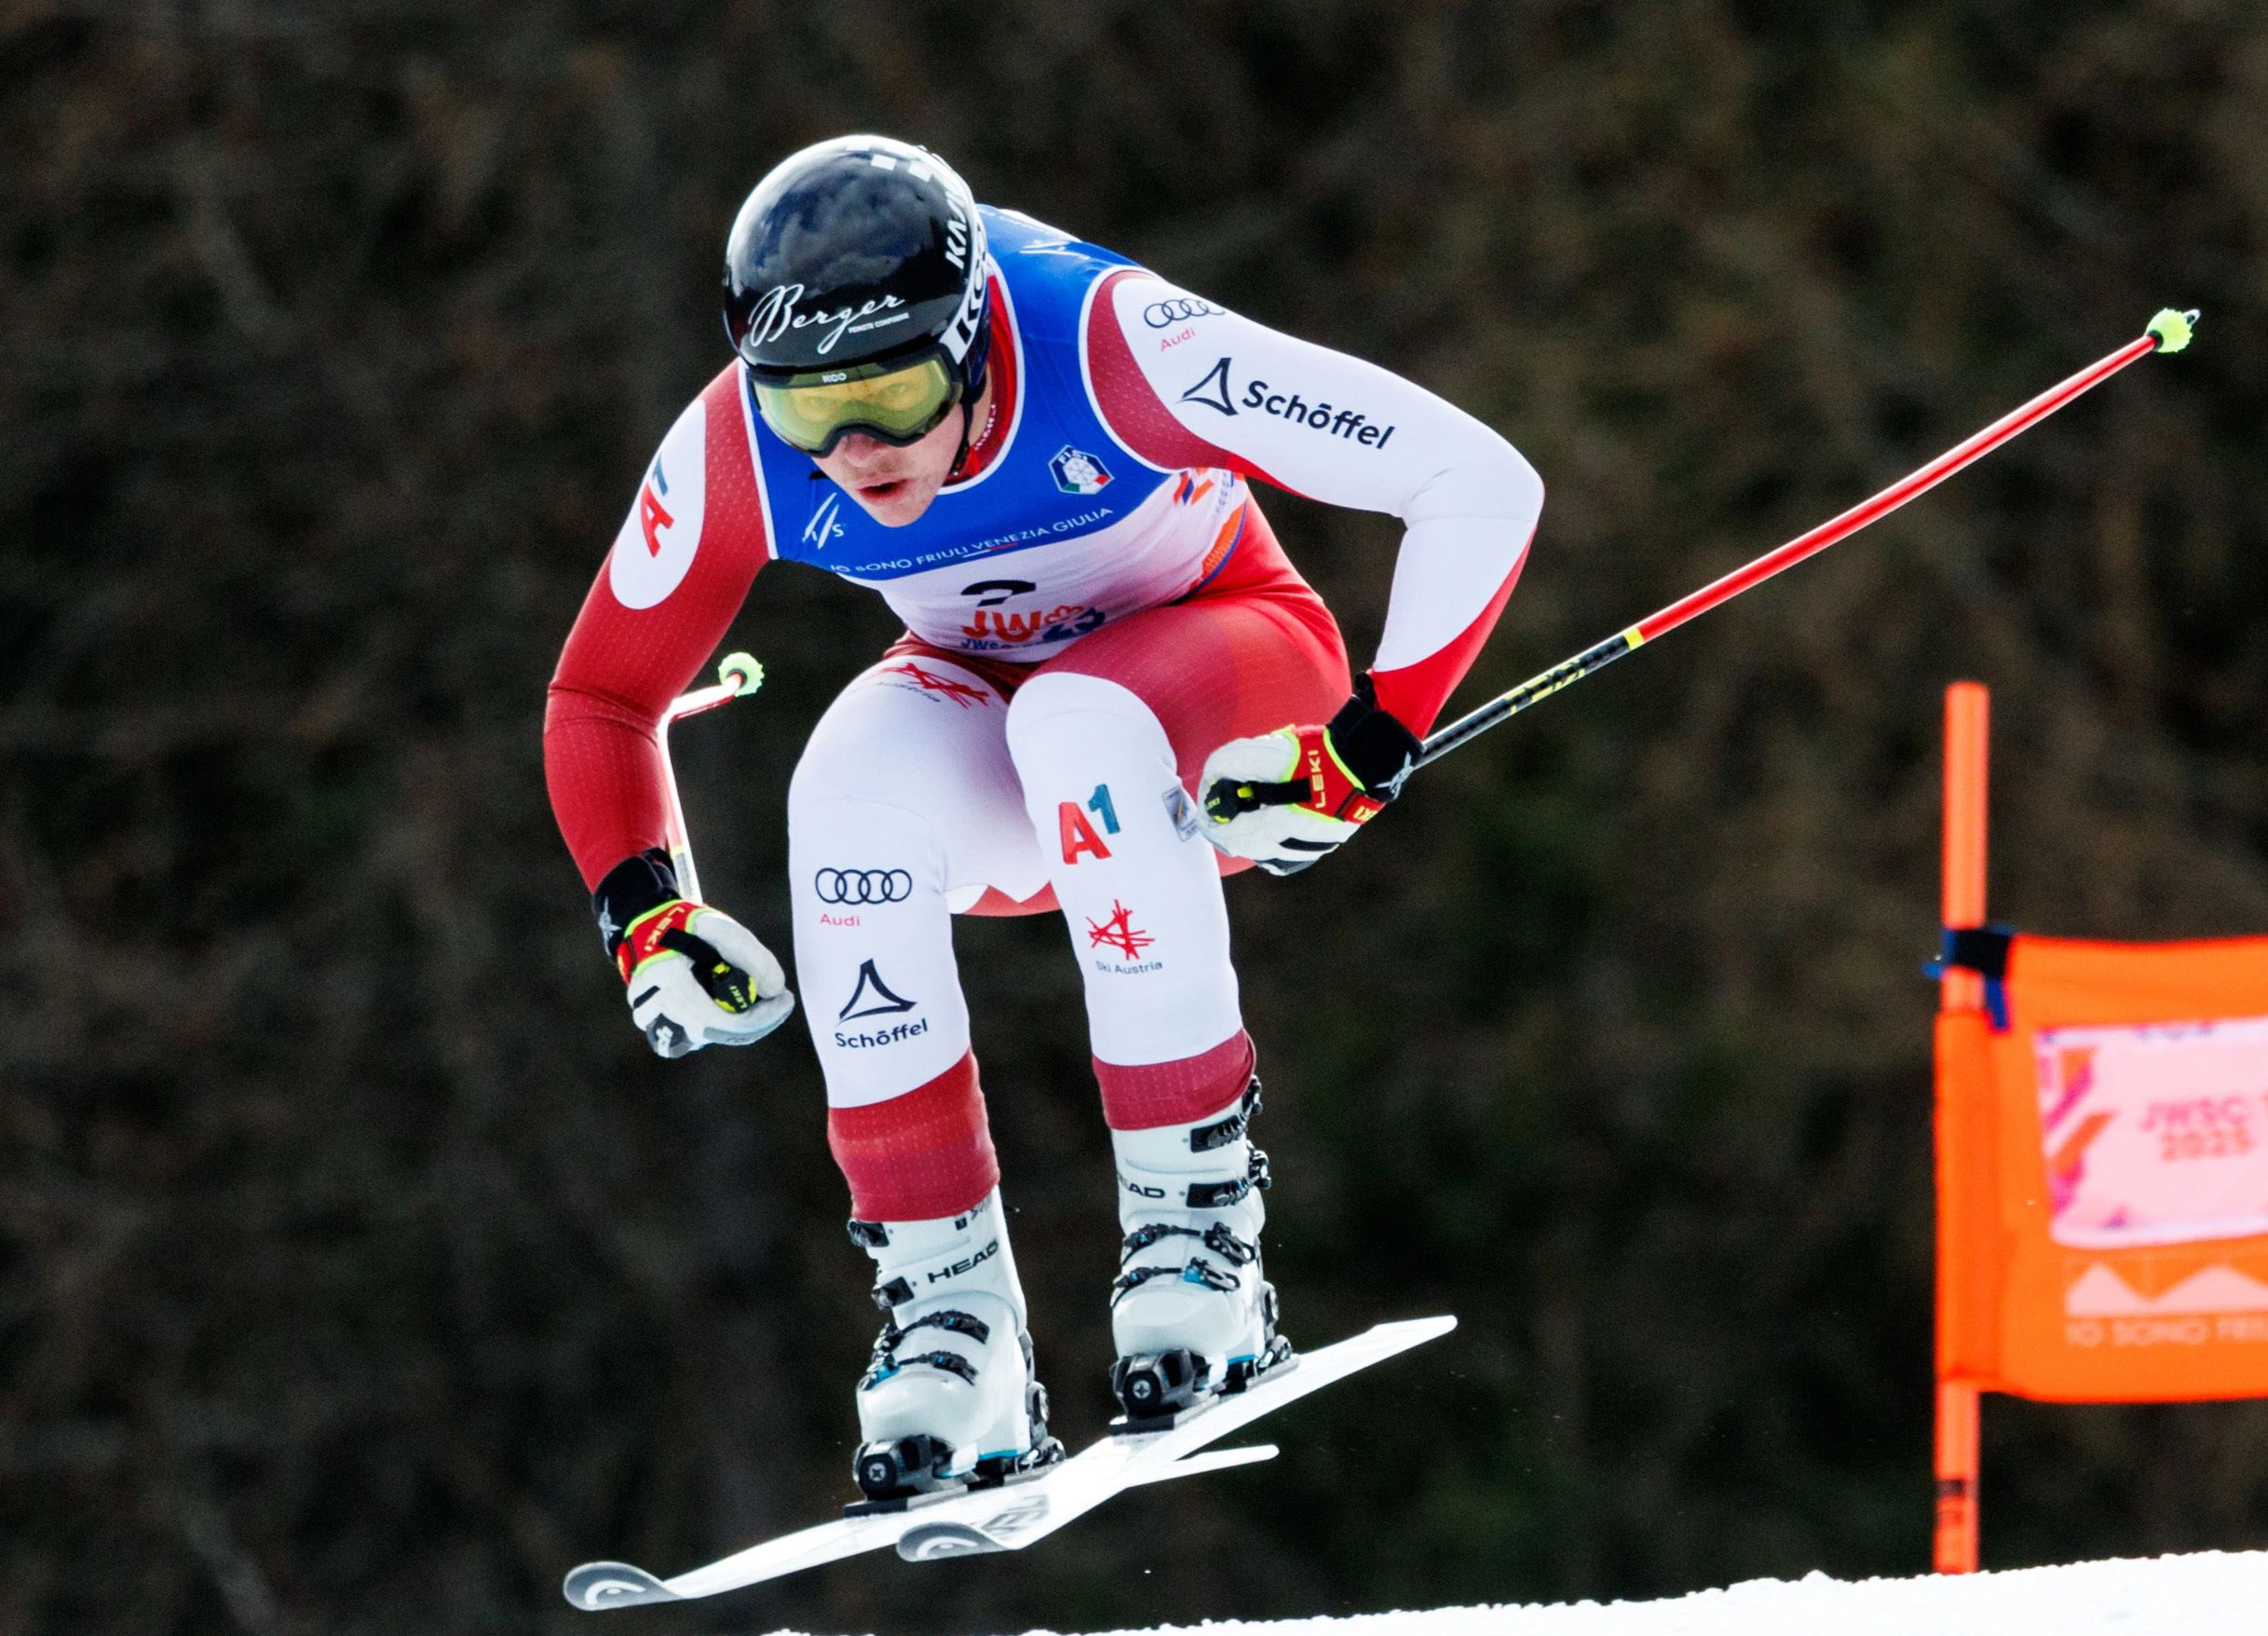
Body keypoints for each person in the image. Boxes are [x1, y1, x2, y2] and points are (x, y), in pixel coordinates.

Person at [543, 135, 1540, 1506]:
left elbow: (1477, 480)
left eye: (891, 393)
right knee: (840, 790)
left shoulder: (1107, 341)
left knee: (1076, 722)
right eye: (803, 409)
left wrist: (1368, 742)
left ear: (966, 342)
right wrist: (643, 913)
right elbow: (601, 694)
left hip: (1225, 673)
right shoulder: (740, 448)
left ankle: (1200, 1245)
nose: (853, 452)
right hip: (1001, 728)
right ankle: (950, 1328)